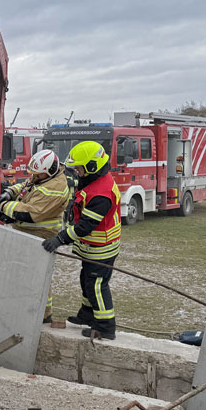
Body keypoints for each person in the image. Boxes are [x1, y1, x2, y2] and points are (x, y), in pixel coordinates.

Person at [42, 141, 121, 340]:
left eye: (79, 168)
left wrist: (59, 239)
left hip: (102, 248)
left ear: (92, 167)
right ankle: (87, 315)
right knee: (86, 280)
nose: (76, 172)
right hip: (93, 247)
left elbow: (85, 226)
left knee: (96, 285)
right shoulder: (95, 180)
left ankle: (104, 326)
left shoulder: (101, 194)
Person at [0, 150, 72, 323]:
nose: (34, 176)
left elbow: (31, 213)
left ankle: (43, 314)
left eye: (38, 174)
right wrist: (9, 192)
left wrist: (4, 206)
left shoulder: (54, 189)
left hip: (41, 235)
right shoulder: (44, 176)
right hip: (27, 232)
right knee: (22, 273)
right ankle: (24, 307)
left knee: (38, 276)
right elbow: (26, 185)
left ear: (49, 171)